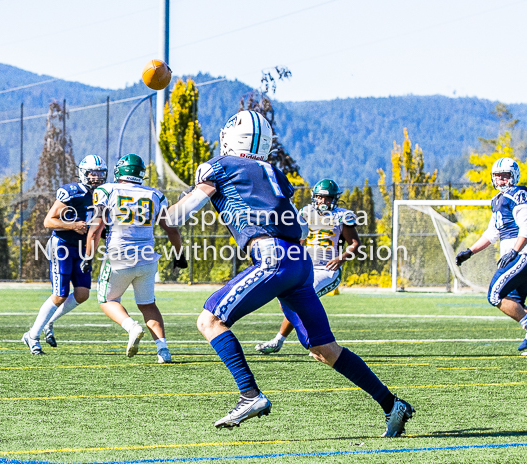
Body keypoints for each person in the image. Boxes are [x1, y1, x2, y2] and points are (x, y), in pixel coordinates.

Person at [166, 110, 414, 436]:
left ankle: (250, 394)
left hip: (274, 259)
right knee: (324, 349)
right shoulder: (274, 172)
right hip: (300, 261)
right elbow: (297, 226)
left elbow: (178, 215)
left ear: (229, 137)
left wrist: (162, 215)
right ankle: (391, 404)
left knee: (209, 320)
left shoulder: (219, 167)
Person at [82, 154, 186, 363]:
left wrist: (88, 256)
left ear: (119, 172)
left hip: (119, 256)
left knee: (107, 300)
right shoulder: (155, 194)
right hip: (147, 258)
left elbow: (96, 228)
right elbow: (171, 230)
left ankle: (132, 327)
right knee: (148, 304)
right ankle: (163, 350)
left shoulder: (107, 190)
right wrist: (179, 255)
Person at [255, 178, 360, 354]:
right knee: (285, 297)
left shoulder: (343, 215)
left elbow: (355, 244)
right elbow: (299, 239)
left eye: (328, 198)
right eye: (320, 197)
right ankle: (298, 341)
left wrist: (341, 258)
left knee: (302, 299)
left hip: (327, 269)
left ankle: (305, 341)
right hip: (306, 266)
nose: (323, 201)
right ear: (314, 197)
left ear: (335, 198)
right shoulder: (306, 212)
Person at [22, 155, 108, 355]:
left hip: (82, 249)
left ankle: (48, 322)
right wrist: (72, 225)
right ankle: (32, 336)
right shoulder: (72, 192)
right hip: (62, 246)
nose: (96, 177)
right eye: (92, 173)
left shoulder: (103, 194)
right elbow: (49, 221)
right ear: (83, 173)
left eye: (100, 173)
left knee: (82, 294)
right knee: (59, 294)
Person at [455, 157, 527, 352]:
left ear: (514, 177)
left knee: (494, 294)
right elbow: (492, 233)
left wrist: (515, 251)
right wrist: (470, 252)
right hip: (515, 255)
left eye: (505, 177)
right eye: (498, 177)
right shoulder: (497, 200)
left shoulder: (517, 194)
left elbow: (526, 226)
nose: (501, 181)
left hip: (521, 255)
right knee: (513, 301)